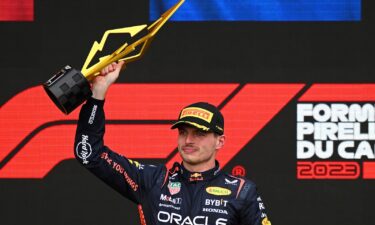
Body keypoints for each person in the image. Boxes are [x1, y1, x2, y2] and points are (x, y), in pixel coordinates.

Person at [74, 61, 271, 225]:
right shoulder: (153, 180)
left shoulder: (241, 191)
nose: (188, 140)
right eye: (183, 132)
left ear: (220, 141)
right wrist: (97, 94)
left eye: (199, 134)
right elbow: (89, 153)